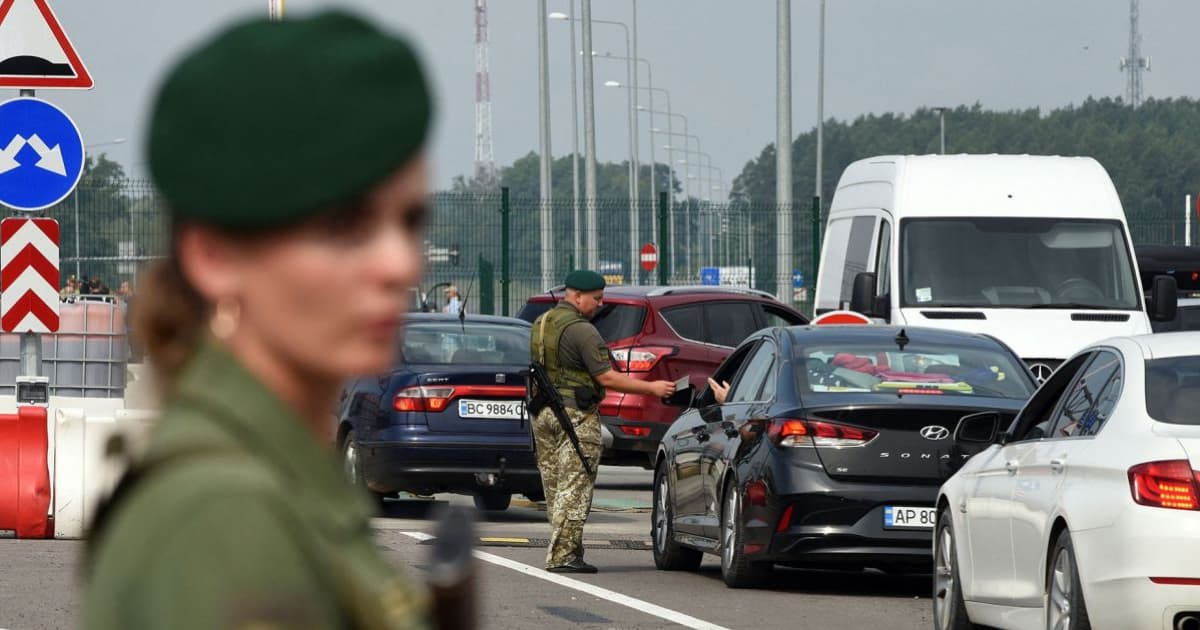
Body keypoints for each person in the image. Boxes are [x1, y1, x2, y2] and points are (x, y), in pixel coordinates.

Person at [84, 11, 434, 629]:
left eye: (409, 222)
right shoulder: (223, 517)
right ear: (215, 255)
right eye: (342, 227)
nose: (400, 263)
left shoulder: (272, 474)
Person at [530, 269, 675, 573]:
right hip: (574, 415)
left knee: (555, 486)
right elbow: (605, 376)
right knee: (576, 483)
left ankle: (567, 549)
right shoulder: (582, 330)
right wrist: (652, 387)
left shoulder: (541, 323)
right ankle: (563, 556)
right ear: (577, 296)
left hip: (543, 413)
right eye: (596, 299)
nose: (599, 305)